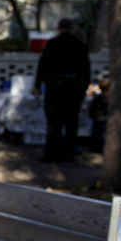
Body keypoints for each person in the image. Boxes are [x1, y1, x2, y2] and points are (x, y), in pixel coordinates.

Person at [34, 18, 90, 163]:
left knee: (54, 123)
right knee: (71, 123)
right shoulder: (80, 45)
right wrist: (83, 88)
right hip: (73, 89)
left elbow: (43, 66)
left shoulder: (53, 44)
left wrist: (37, 85)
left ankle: (51, 154)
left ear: (58, 28)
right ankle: (68, 154)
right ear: (71, 28)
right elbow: (86, 69)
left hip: (55, 88)